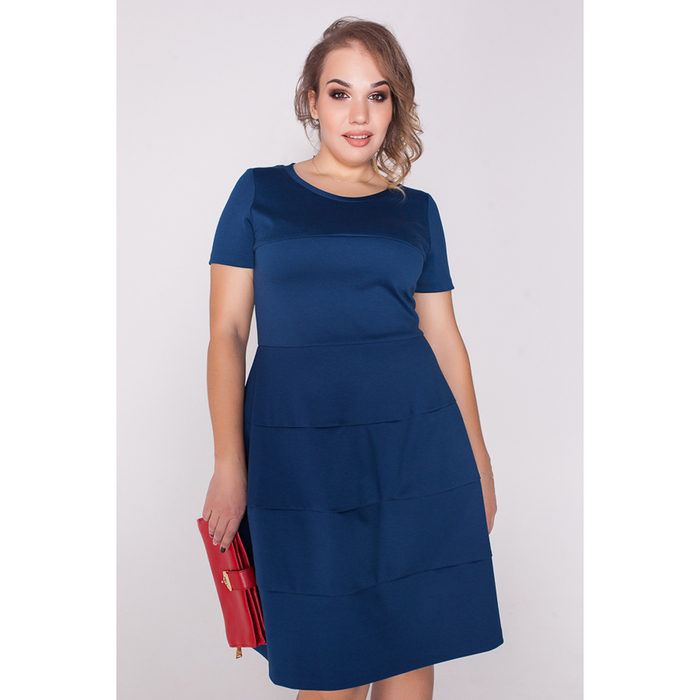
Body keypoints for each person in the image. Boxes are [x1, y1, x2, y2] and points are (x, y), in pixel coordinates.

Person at [202, 16, 504, 700]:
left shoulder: (416, 210)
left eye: (378, 94)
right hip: (299, 457)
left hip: (414, 450)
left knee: (411, 650)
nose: (359, 114)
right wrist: (228, 463)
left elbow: (444, 338)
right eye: (340, 93)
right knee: (327, 664)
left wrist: (478, 463)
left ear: (396, 104)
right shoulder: (259, 193)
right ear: (312, 100)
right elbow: (227, 333)